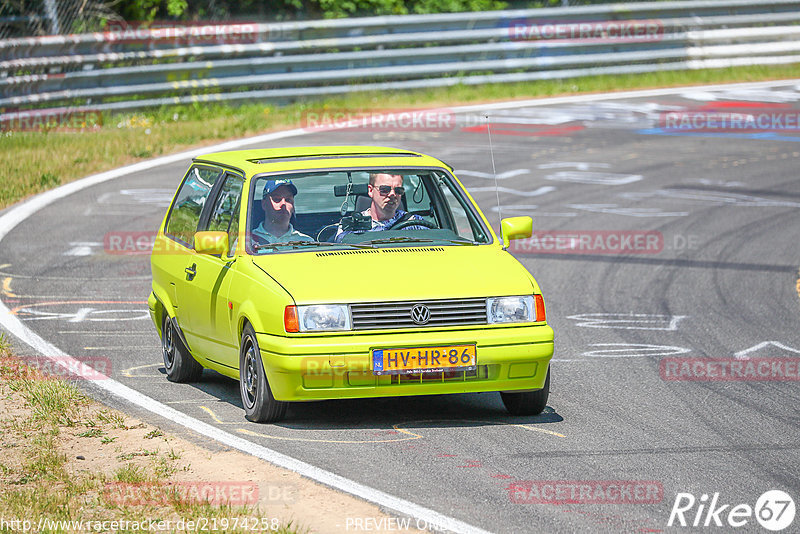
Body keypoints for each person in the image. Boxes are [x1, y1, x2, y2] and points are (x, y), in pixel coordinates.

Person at [334, 173, 426, 242]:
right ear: (370, 190)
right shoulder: (351, 226)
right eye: (385, 189)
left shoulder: (415, 223)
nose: (392, 194)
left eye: (398, 190)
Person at [251, 179, 313, 245]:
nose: (283, 204)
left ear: (293, 206)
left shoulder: (307, 243)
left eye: (288, 200)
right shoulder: (248, 242)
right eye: (277, 199)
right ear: (264, 204)